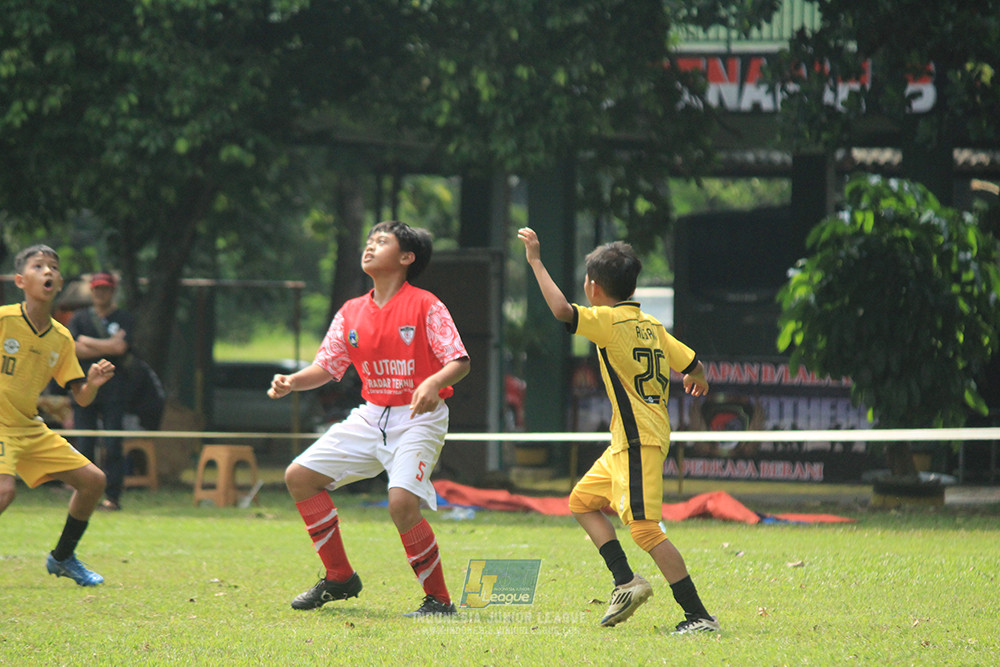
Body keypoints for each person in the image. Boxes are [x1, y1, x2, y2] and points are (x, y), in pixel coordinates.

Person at [517, 226, 720, 634]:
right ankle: (626, 582)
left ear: (593, 287)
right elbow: (694, 364)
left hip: (638, 440)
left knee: (644, 528)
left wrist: (536, 261)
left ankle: (698, 616)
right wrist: (698, 379)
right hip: (627, 442)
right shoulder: (652, 326)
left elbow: (561, 311)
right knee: (581, 502)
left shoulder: (607, 321)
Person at [269, 220, 471, 617]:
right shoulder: (351, 311)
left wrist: (432, 383)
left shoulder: (426, 304)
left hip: (418, 419)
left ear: (406, 258)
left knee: (400, 503)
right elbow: (327, 367)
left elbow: (459, 361)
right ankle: (339, 576)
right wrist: (292, 382)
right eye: (369, 240)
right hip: (370, 415)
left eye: (382, 242)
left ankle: (439, 601)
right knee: (299, 477)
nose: (370, 246)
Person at [0, 245, 116, 586]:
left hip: (28, 426)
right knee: (5, 492)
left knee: (93, 481)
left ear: (60, 281)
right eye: (39, 266)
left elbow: (80, 397)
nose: (48, 271)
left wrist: (92, 383)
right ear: (21, 280)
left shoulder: (61, 337)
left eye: (53, 267)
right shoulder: (4, 319)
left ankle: (62, 557)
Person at [68, 271, 135, 511]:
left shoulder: (124, 318)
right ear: (91, 291)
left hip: (114, 391)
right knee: (84, 444)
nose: (100, 293)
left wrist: (88, 342)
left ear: (113, 290)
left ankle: (113, 496)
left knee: (113, 443)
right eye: (97, 289)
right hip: (84, 387)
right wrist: (107, 347)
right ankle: (84, 493)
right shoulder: (79, 318)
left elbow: (120, 347)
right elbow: (73, 349)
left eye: (105, 288)